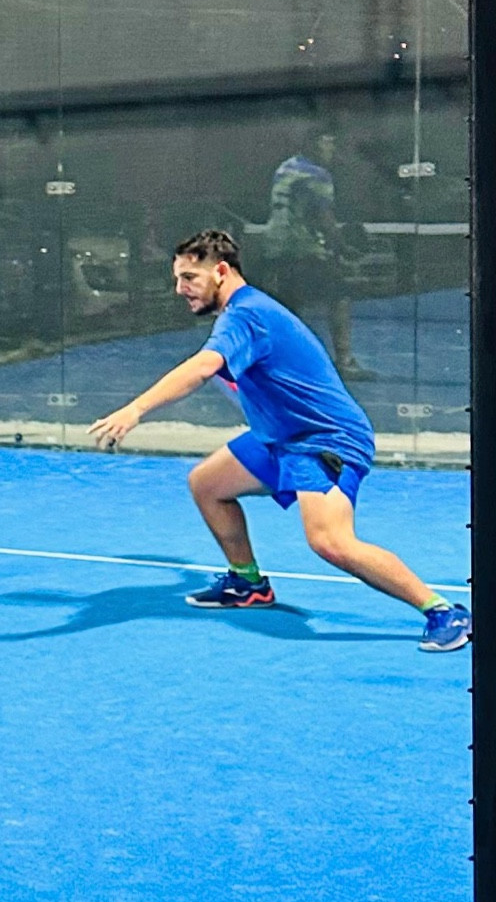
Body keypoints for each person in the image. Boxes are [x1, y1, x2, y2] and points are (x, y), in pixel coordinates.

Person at [87, 229, 471, 653]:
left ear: (221, 271)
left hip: (325, 440)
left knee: (331, 542)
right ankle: (247, 584)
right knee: (207, 484)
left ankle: (443, 611)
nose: (180, 289)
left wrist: (135, 410)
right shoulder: (244, 314)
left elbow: (202, 367)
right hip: (281, 437)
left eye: (189, 278)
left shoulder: (246, 315)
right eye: (178, 278)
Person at [259, 131, 374, 383]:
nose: (330, 149)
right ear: (311, 144)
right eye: (326, 143)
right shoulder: (318, 175)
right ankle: (344, 362)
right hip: (301, 249)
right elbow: (324, 218)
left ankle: (284, 366)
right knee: (340, 296)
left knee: (291, 306)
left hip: (274, 247)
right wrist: (341, 246)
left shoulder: (284, 168)